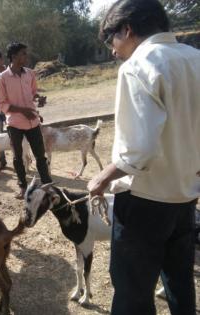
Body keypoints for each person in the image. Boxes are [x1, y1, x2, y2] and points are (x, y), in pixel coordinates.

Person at [87, 1, 200, 314]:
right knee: (179, 281)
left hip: (143, 202)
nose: (112, 50)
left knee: (132, 292)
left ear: (128, 29)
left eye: (112, 40)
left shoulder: (139, 66)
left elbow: (139, 150)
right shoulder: (195, 59)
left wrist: (101, 178)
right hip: (184, 198)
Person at [0, 42, 51, 199]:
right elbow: (0, 104)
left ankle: (46, 183)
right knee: (18, 156)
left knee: (40, 155)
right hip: (14, 124)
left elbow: (32, 93)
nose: (26, 56)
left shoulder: (30, 74)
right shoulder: (3, 78)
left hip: (32, 121)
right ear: (13, 57)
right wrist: (22, 111)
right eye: (23, 54)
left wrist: (38, 98)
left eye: (26, 53)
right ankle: (23, 186)